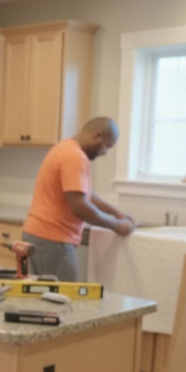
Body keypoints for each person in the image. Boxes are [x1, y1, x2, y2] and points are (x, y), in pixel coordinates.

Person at [21, 117, 136, 282]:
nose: (106, 152)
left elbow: (84, 193)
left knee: (42, 298)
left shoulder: (64, 148)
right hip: (53, 239)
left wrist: (117, 213)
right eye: (107, 146)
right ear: (97, 136)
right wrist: (116, 226)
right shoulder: (75, 157)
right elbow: (80, 207)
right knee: (64, 300)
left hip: (40, 235)